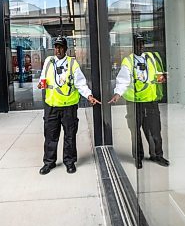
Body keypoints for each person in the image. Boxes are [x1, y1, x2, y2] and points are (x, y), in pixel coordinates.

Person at [38, 36, 101, 175]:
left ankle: (69, 162)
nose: (58, 49)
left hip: (69, 107)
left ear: (66, 49)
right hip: (52, 106)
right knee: (50, 136)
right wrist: (40, 83)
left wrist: (89, 96)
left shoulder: (72, 64)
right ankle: (49, 162)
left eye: (61, 47)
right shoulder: (49, 61)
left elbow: (80, 83)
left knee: (70, 135)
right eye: (56, 47)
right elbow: (43, 78)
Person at [109, 33, 169, 169]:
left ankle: (157, 155)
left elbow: (158, 75)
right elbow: (123, 80)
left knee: (155, 130)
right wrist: (118, 93)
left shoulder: (151, 58)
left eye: (142, 43)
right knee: (135, 131)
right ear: (133, 46)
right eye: (137, 44)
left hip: (151, 101)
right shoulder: (128, 61)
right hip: (135, 103)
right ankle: (138, 158)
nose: (140, 46)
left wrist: (162, 79)